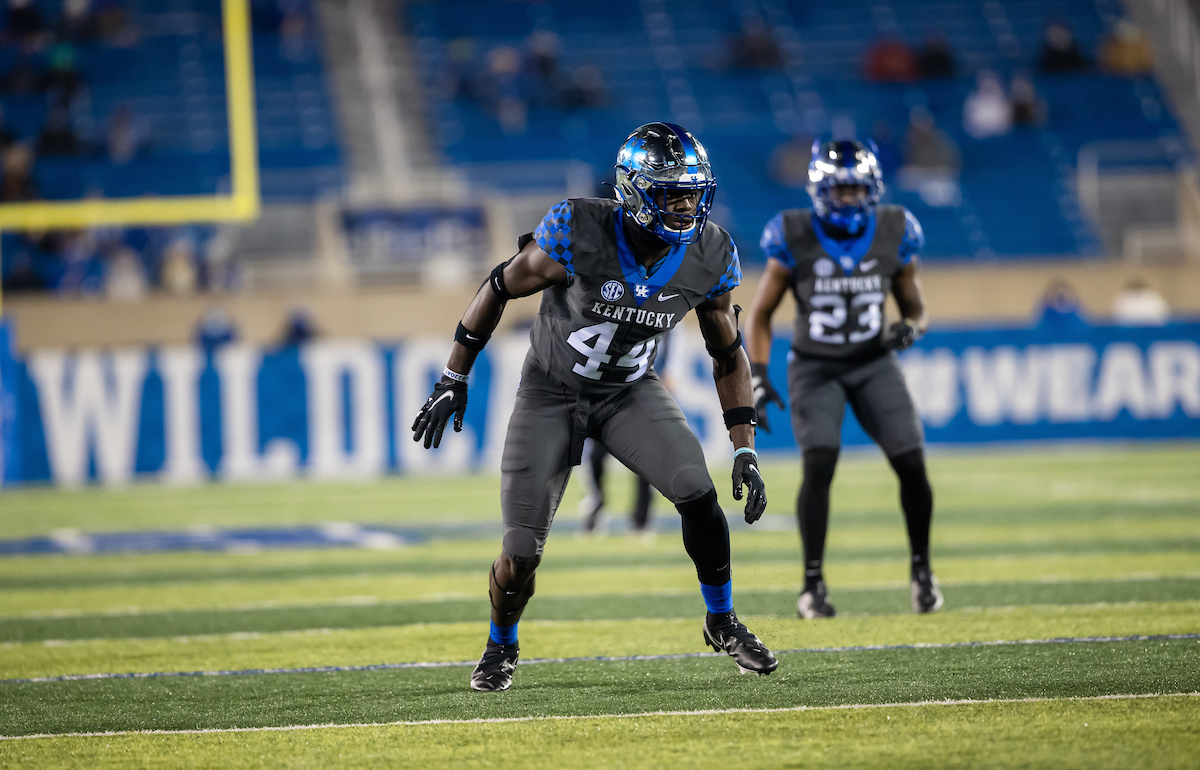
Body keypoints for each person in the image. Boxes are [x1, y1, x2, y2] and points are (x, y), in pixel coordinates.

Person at [412, 122, 776, 691]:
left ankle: (722, 620)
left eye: (692, 192)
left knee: (698, 495)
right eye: (671, 193)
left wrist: (744, 447)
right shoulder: (578, 231)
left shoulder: (709, 254)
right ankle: (500, 644)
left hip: (630, 392)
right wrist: (452, 376)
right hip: (550, 392)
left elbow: (727, 353)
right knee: (520, 553)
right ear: (634, 191)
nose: (685, 206)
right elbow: (500, 285)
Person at [746, 139, 942, 620]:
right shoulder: (793, 233)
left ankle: (922, 571)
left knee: (912, 461)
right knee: (820, 464)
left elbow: (917, 311)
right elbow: (760, 315)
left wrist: (909, 329)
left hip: (873, 362)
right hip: (815, 366)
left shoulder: (895, 229)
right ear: (820, 190)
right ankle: (811, 586)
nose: (851, 199)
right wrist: (756, 375)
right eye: (842, 190)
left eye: (858, 189)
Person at [578, 329, 675, 535]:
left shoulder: (662, 303)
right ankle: (596, 505)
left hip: (644, 388)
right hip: (612, 386)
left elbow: (674, 335)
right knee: (596, 454)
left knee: (646, 457)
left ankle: (642, 519)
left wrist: (672, 372)